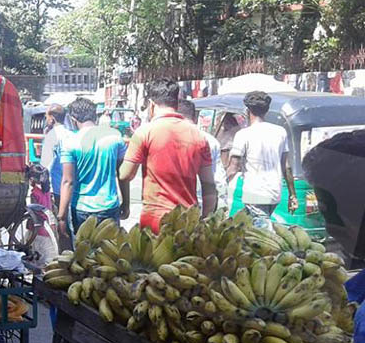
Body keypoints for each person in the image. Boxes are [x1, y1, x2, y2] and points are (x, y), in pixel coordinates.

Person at [119, 79, 216, 234]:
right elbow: (209, 185)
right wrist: (205, 219)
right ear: (176, 103)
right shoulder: (199, 136)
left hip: (154, 221)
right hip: (187, 221)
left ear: (151, 104)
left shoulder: (144, 132)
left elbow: (125, 174)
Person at [57, 97, 130, 238]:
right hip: (109, 207)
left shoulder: (70, 142)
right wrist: (126, 203)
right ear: (95, 115)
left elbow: (68, 182)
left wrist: (62, 217)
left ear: (73, 119)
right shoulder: (115, 137)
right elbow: (122, 175)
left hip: (81, 209)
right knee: (109, 255)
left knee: (85, 256)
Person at [226, 91, 298, 229]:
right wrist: (292, 195)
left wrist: (219, 187)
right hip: (275, 194)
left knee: (262, 234)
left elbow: (233, 167)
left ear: (247, 111)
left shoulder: (243, 134)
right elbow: (287, 166)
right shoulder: (280, 132)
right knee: (256, 229)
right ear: (267, 110)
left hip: (254, 194)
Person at [177, 100, 228, 210]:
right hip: (204, 202)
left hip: (180, 203)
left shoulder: (173, 138)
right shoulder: (211, 140)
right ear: (195, 118)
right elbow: (218, 178)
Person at [40, 104, 73, 211]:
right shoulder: (71, 134)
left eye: (46, 117)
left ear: (52, 118)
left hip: (57, 188)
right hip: (73, 186)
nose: (46, 120)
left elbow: (45, 165)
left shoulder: (52, 136)